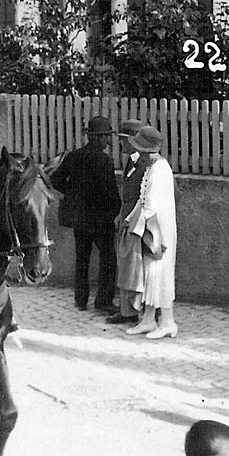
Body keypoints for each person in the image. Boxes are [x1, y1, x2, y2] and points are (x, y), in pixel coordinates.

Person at [50, 115, 120, 311]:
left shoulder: (73, 156)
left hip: (80, 218)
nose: (107, 140)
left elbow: (55, 179)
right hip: (101, 219)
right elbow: (111, 193)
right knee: (108, 259)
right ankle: (103, 301)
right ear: (97, 137)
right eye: (105, 136)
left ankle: (80, 300)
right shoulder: (105, 161)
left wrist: (71, 193)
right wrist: (115, 210)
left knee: (82, 259)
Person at [120, 126, 178, 340]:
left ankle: (168, 322)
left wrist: (137, 223)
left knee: (160, 273)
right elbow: (143, 201)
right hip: (151, 227)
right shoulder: (153, 167)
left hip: (158, 229)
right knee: (150, 273)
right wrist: (131, 219)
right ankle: (148, 319)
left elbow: (151, 205)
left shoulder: (160, 170)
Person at [108, 119, 146, 325]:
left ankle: (140, 311)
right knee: (126, 265)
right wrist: (120, 215)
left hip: (137, 221)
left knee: (137, 267)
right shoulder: (131, 160)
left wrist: (131, 218)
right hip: (126, 219)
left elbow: (145, 196)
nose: (121, 144)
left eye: (124, 140)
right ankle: (127, 311)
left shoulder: (145, 163)